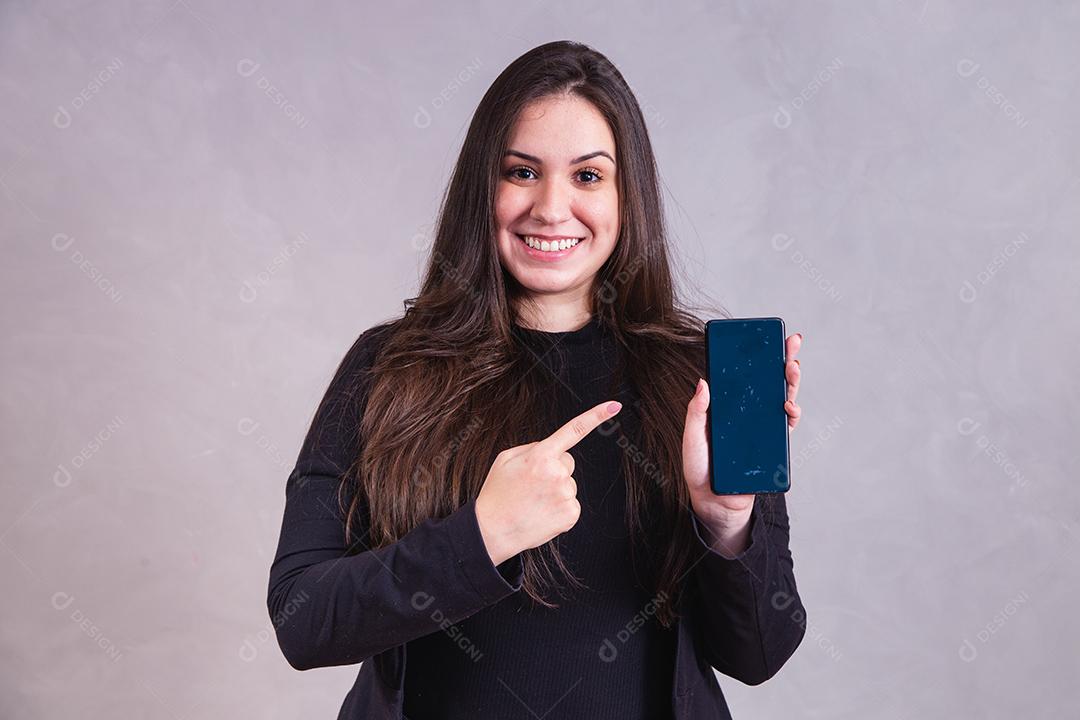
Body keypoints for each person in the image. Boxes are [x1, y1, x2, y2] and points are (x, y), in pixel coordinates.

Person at [267, 39, 807, 719]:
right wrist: (480, 536)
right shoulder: (388, 368)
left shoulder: (696, 380)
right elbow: (303, 617)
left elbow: (761, 654)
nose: (552, 209)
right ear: (483, 187)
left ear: (625, 194)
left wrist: (727, 519)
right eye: (522, 172)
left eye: (587, 177)